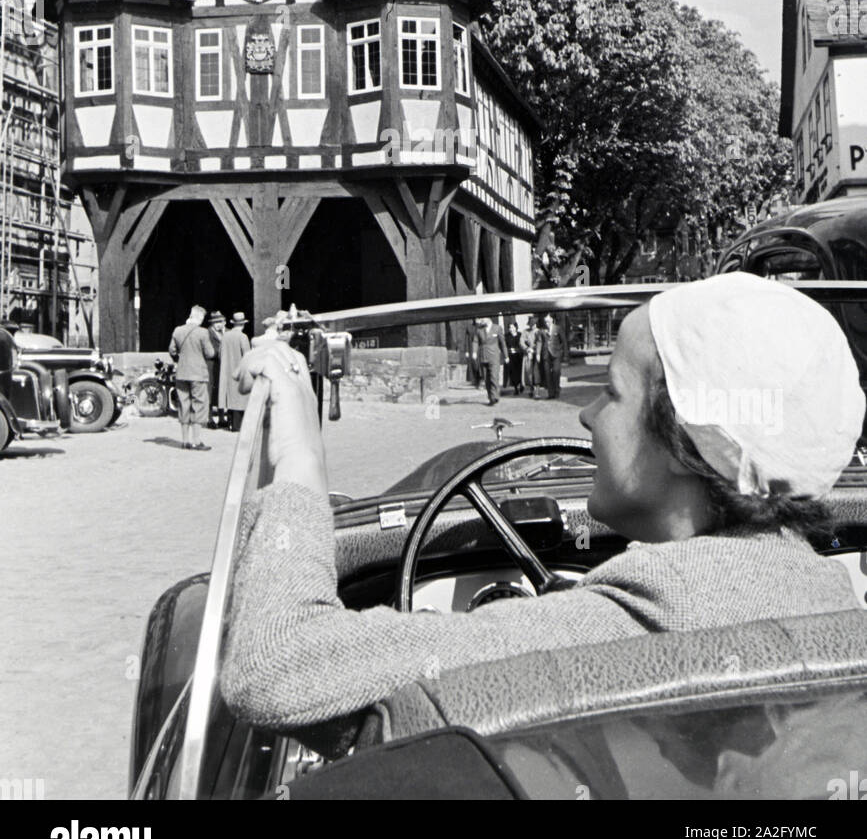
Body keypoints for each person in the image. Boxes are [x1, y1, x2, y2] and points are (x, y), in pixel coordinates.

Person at [221, 273, 864, 733]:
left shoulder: (633, 621)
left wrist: (299, 462)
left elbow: (276, 665)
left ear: (682, 440)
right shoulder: (828, 597)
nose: (585, 415)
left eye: (611, 393)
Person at [169, 306, 214, 451]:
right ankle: (196, 441)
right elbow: (210, 353)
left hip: (181, 373)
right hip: (198, 373)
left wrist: (180, 359)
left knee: (183, 404)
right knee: (199, 405)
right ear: (200, 318)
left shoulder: (177, 330)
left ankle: (184, 441)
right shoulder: (203, 332)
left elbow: (172, 350)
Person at [219, 313, 252, 433]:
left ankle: (230, 423)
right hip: (239, 371)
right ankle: (237, 426)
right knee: (239, 398)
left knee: (230, 397)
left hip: (227, 371)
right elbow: (247, 356)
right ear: (243, 324)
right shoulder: (243, 337)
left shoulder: (225, 336)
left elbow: (220, 353)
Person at [473, 316, 507, 406]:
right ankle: (491, 398)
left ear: (488, 319)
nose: (481, 320)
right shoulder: (479, 329)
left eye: (482, 318)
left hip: (494, 356)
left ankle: (495, 396)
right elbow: (475, 341)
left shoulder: (497, 328)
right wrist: (474, 352)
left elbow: (502, 343)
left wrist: (506, 355)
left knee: (494, 377)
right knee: (486, 378)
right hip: (483, 356)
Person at [207, 312, 226, 429]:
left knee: (221, 391)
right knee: (210, 391)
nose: (219, 325)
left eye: (221, 322)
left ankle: (221, 417)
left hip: (221, 366)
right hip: (210, 365)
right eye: (216, 322)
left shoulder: (226, 332)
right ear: (212, 323)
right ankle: (209, 418)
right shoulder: (207, 333)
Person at [541, 312, 566, 399]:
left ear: (551, 319)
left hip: (556, 354)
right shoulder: (543, 330)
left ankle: (557, 390)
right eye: (545, 321)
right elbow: (541, 342)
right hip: (546, 355)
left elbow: (564, 342)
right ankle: (550, 394)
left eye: (547, 320)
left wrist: (564, 354)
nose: (546, 322)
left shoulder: (558, 328)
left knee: (556, 372)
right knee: (547, 374)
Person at [521, 317, 543, 398]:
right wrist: (527, 349)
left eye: (533, 324)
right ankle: (531, 388)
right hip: (528, 354)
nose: (532, 326)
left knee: (536, 372)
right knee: (528, 372)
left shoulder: (539, 332)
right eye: (530, 324)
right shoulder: (525, 332)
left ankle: (537, 391)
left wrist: (536, 351)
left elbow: (540, 342)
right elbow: (521, 341)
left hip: (537, 354)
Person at [505, 319, 525, 395]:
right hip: (511, 356)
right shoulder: (506, 336)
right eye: (510, 327)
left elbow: (523, 344)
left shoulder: (520, 335)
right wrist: (509, 350)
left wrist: (518, 349)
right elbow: (504, 346)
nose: (511, 329)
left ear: (516, 327)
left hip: (519, 356)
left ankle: (521, 385)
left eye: (513, 327)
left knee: (520, 371)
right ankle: (516, 388)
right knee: (513, 372)